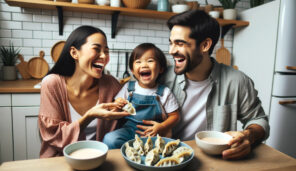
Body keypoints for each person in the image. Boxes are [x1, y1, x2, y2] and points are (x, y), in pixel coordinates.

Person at [138, 10, 270, 160]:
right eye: (171, 43)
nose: (171, 51)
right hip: (166, 160)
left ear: (205, 45)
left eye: (179, 43)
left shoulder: (237, 81)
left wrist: (248, 136)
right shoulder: (161, 79)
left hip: (215, 161)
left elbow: (259, 120)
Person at [38, 25, 130, 158]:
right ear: (74, 53)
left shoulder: (111, 84)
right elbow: (53, 136)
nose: (104, 56)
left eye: (106, 51)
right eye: (96, 49)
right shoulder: (52, 83)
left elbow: (127, 122)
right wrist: (89, 116)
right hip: (60, 161)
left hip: (99, 161)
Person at [103, 43, 180, 149]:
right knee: (110, 139)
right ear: (132, 70)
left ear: (161, 68)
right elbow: (115, 107)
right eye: (138, 61)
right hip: (130, 131)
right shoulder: (128, 88)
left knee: (161, 148)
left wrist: (162, 126)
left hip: (154, 133)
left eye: (150, 61)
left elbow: (175, 116)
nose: (144, 65)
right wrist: (118, 103)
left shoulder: (164, 92)